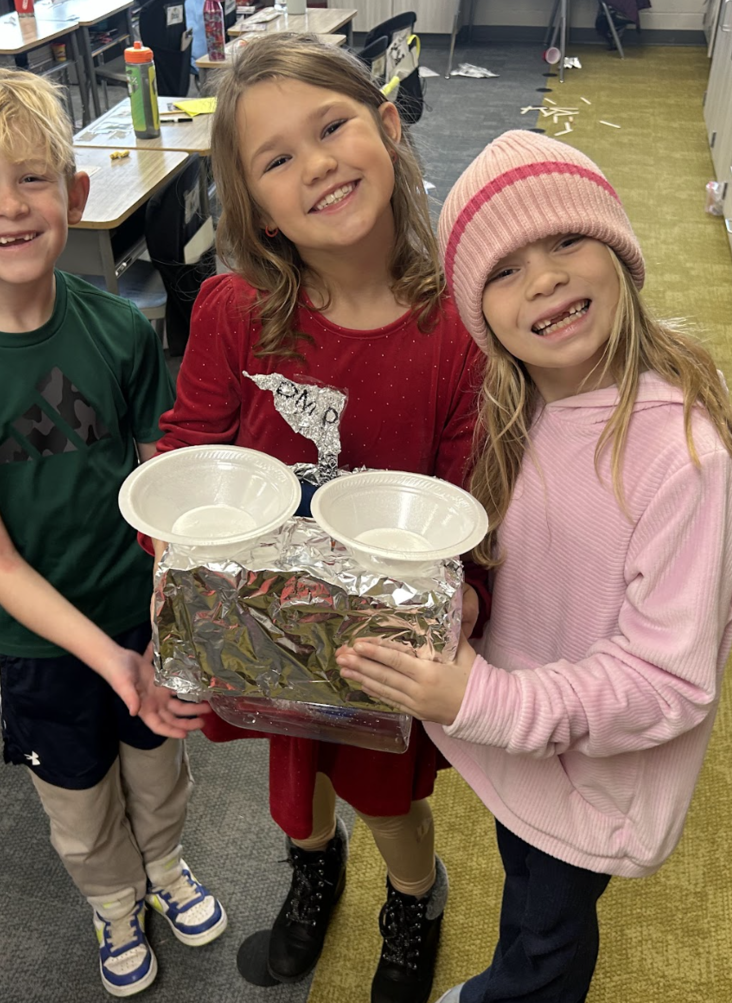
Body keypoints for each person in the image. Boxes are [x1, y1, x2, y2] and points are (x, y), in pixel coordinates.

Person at [335, 130, 732, 1003]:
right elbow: (531, 548)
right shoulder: (522, 399)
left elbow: (666, 684)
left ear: (620, 251)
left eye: (568, 242)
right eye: (505, 269)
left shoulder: (688, 458)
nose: (543, 278)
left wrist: (480, 699)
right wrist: (464, 603)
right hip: (532, 751)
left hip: (593, 781)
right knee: (525, 889)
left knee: (548, 937)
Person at [151, 33, 486, 1003]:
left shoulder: (456, 328)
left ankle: (415, 897)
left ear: (387, 125)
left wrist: (470, 606)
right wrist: (169, 570)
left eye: (331, 126)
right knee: (294, 787)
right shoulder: (231, 310)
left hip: (384, 643)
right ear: (255, 204)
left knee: (389, 799)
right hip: (260, 626)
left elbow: (473, 502)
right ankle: (312, 870)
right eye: (277, 158)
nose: (317, 165)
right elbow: (187, 451)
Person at [0, 66, 226, 999]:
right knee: (78, 802)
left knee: (158, 770)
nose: (10, 206)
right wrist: (103, 657)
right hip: (34, 641)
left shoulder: (118, 329)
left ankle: (166, 865)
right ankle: (116, 900)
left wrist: (173, 618)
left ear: (75, 195)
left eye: (34, 178)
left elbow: (163, 478)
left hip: (138, 609)